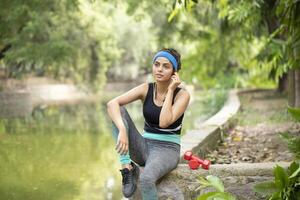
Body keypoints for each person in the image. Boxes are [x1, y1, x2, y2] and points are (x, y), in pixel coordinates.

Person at [106, 48, 190, 199]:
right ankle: (127, 168)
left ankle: (137, 172)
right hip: (144, 146)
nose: (159, 69)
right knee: (118, 111)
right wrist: (122, 130)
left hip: (167, 150)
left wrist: (170, 90)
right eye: (156, 64)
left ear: (174, 72)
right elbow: (112, 104)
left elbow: (164, 122)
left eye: (166, 66)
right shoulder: (146, 88)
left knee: (146, 179)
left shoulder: (182, 95)